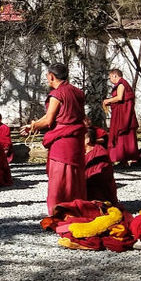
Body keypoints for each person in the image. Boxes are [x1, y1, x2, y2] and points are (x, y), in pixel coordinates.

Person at [22, 63, 87, 216]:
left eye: (47, 75)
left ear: (51, 76)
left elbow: (49, 120)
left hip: (62, 140)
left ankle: (58, 211)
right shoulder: (78, 92)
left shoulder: (57, 94)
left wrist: (32, 126)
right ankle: (77, 207)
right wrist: (35, 124)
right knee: (75, 176)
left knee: (59, 177)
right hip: (76, 139)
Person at [102, 69, 139, 165]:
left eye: (110, 77)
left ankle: (124, 157)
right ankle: (124, 159)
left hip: (123, 116)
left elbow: (120, 97)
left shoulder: (121, 84)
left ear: (115, 75)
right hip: (121, 113)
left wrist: (108, 101)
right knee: (125, 136)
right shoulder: (122, 84)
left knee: (121, 135)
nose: (110, 80)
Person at [85, 127, 118, 205]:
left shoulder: (100, 154)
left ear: (87, 140)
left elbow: (99, 175)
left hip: (100, 193)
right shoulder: (84, 152)